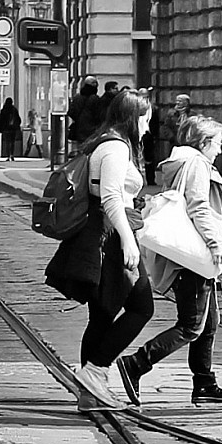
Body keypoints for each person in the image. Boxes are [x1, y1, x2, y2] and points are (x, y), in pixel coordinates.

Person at [117, 114, 222, 405]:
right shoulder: (197, 163)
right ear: (203, 142)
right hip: (193, 255)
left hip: (184, 255)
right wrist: (216, 244)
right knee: (191, 325)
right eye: (218, 144)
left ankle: (205, 383)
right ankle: (136, 363)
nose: (220, 150)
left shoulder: (179, 161)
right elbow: (199, 206)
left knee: (209, 322)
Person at [71, 89, 158, 407]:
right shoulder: (115, 148)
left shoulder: (106, 142)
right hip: (111, 237)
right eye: (145, 120)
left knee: (103, 315)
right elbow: (110, 197)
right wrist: (126, 239)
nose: (148, 128)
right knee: (141, 307)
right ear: (132, 118)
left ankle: (89, 392)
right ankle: (95, 372)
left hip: (103, 233)